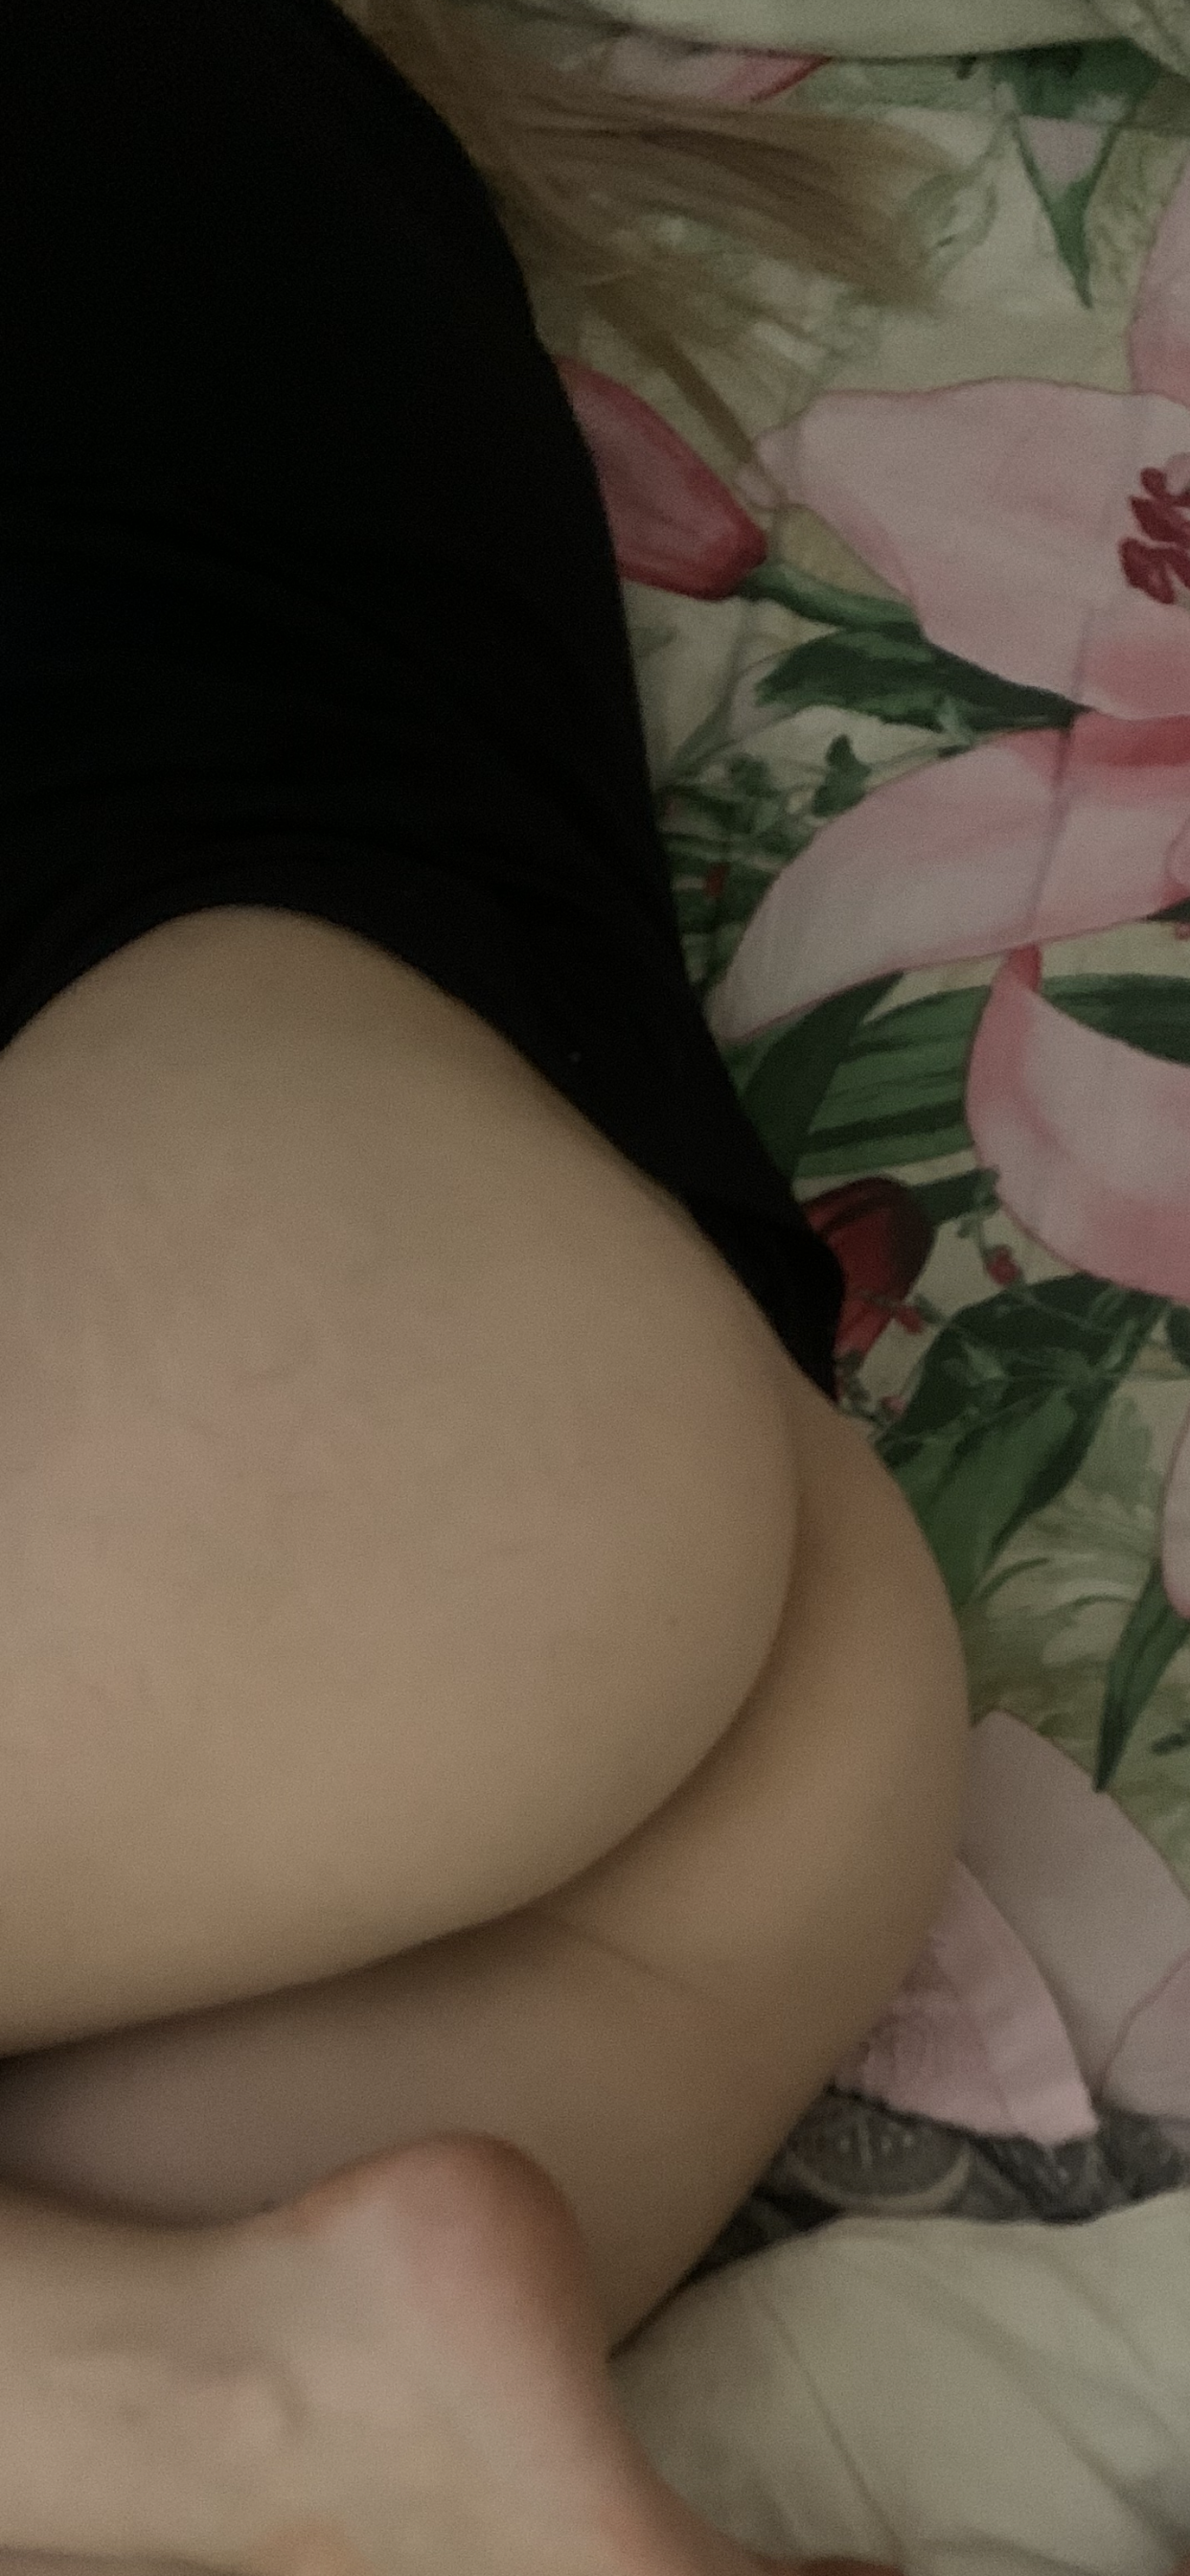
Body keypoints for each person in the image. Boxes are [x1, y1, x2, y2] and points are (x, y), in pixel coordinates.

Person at [0, 4, 1047, 2572]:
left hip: (293, 1422)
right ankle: (207, 2400)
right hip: (601, 1597)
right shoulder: (258, 121)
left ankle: (202, 2403)